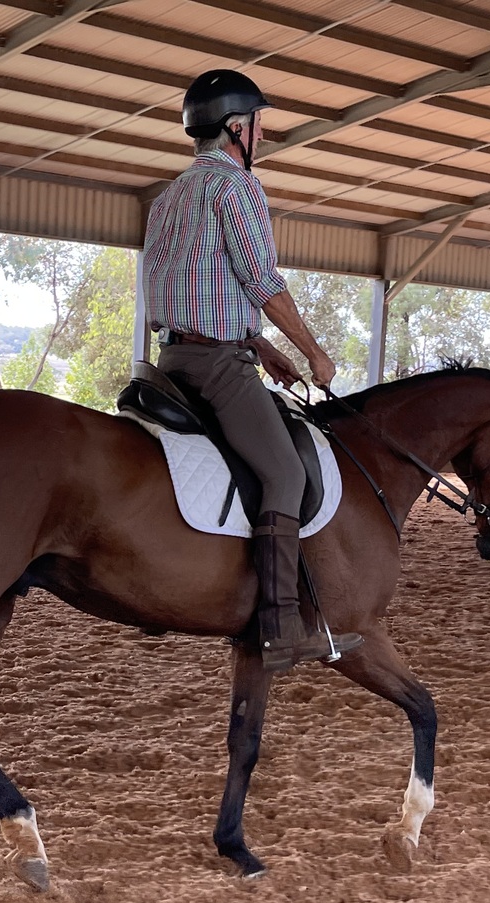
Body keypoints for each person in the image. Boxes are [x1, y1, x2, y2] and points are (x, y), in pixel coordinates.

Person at [142, 68, 363, 673]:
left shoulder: (168, 198)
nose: (261, 135)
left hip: (173, 360)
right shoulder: (237, 190)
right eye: (259, 125)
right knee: (286, 476)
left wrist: (261, 346)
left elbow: (188, 290)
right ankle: (280, 628)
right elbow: (261, 280)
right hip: (217, 367)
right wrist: (315, 351)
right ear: (238, 128)